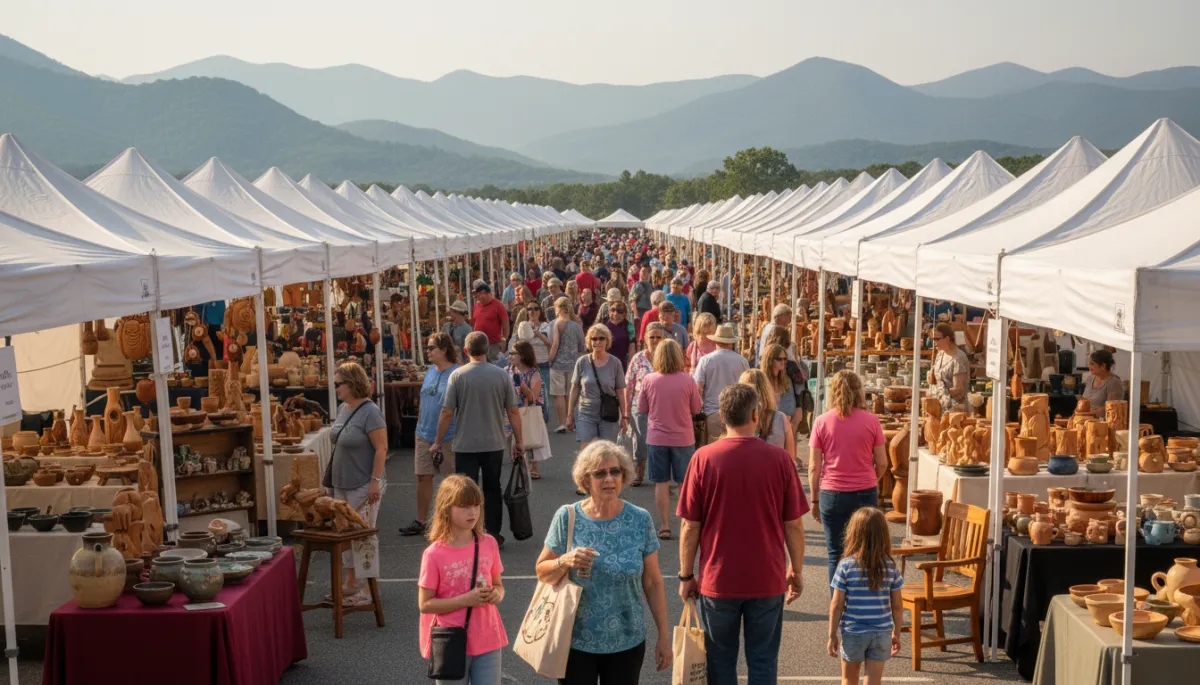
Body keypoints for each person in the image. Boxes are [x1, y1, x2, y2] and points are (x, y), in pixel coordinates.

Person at [678, 383, 809, 685]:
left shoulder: (703, 459)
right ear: (755, 413)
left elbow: (690, 526)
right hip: (767, 577)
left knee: (720, 664)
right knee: (763, 663)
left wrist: (686, 576)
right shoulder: (779, 460)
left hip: (718, 578)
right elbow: (793, 524)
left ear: (722, 417)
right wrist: (796, 569)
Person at [535, 441, 670, 684]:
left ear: (624, 475)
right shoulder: (567, 517)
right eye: (600, 473)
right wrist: (564, 561)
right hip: (575, 642)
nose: (609, 478)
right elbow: (542, 571)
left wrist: (664, 636)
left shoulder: (640, 519)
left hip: (627, 640)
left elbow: (652, 581)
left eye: (615, 471)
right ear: (586, 480)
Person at [433, 332, 523, 546]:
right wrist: (519, 441)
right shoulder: (502, 375)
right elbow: (513, 411)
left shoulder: (458, 376)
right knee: (493, 488)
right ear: (487, 350)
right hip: (494, 441)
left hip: (466, 443)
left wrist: (438, 440)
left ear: (465, 351)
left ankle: (468, 532)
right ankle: (493, 533)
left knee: (465, 491)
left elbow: (447, 412)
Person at [418, 475, 507, 685]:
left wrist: (496, 594)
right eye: (464, 506)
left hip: (488, 637)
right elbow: (425, 604)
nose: (473, 512)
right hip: (451, 640)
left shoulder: (489, 543)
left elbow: (499, 586)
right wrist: (467, 600)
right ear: (446, 509)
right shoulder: (434, 554)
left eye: (476, 505)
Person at [809, 370, 887, 583]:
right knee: (865, 550)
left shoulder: (822, 422)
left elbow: (814, 466)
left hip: (831, 492)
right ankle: (863, 602)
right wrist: (871, 478)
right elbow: (882, 462)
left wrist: (814, 499)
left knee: (835, 552)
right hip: (864, 491)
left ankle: (838, 606)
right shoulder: (871, 421)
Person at [329, 362, 388, 606]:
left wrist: (374, 481)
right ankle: (351, 581)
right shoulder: (344, 408)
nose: (336, 389)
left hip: (362, 483)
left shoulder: (370, 411)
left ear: (352, 384)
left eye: (338, 384)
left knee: (363, 535)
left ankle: (367, 587)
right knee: (345, 533)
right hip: (342, 483)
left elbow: (382, 448)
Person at [827, 508, 904, 685]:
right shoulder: (890, 567)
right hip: (881, 633)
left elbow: (837, 604)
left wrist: (832, 635)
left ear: (854, 533)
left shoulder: (846, 566)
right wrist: (896, 633)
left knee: (848, 679)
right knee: (873, 681)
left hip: (853, 632)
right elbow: (897, 606)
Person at [639, 339, 701, 540]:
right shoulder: (688, 380)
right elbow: (696, 409)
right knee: (684, 483)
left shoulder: (649, 380)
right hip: (683, 437)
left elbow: (642, 409)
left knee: (661, 482)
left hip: (657, 437)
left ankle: (664, 525)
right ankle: (686, 523)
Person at [400, 333, 461, 537]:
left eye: (431, 348)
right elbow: (424, 399)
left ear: (444, 349)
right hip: (424, 433)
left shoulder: (457, 373)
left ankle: (452, 522)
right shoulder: (430, 372)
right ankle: (421, 520)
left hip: (449, 435)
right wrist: (419, 424)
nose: (427, 351)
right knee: (423, 476)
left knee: (451, 480)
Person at [568, 324, 629, 446]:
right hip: (586, 411)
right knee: (586, 451)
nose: (597, 342)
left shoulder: (615, 363)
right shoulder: (582, 362)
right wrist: (569, 415)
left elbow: (620, 392)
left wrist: (624, 417)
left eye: (601, 338)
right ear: (589, 341)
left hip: (608, 413)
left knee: (606, 451)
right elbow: (574, 389)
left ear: (607, 340)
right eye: (594, 339)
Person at [693, 323, 750, 444]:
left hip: (713, 412)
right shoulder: (742, 361)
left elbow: (698, 388)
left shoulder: (706, 360)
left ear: (715, 341)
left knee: (714, 453)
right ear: (731, 342)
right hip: (737, 414)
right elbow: (748, 387)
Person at [626, 322, 665, 487]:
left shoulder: (667, 358)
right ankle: (638, 471)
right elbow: (629, 384)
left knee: (661, 442)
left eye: (658, 337)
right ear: (645, 339)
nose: (655, 340)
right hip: (639, 407)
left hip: (662, 407)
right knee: (640, 441)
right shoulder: (638, 358)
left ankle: (660, 475)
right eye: (652, 337)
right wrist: (626, 410)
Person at [506, 340, 551, 479]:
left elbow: (533, 398)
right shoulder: (507, 371)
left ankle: (533, 467)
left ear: (523, 355)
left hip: (527, 410)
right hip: (510, 410)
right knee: (512, 439)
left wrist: (522, 385)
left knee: (529, 437)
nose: (510, 356)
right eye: (510, 353)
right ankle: (519, 464)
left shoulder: (534, 374)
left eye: (514, 353)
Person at [549, 297, 587, 433]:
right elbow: (582, 346)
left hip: (558, 364)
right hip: (573, 364)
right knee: (572, 394)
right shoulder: (577, 326)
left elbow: (555, 345)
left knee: (559, 394)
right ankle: (572, 421)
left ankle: (562, 423)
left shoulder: (557, 324)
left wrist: (550, 360)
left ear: (558, 308)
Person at [739, 369, 796, 456]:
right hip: (774, 468)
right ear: (767, 389)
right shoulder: (781, 418)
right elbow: (790, 459)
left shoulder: (737, 419)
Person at [762, 342, 805, 444]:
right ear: (770, 360)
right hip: (766, 434)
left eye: (785, 359)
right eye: (779, 359)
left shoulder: (787, 382)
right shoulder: (762, 381)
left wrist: (790, 430)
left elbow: (793, 408)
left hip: (786, 431)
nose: (783, 362)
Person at [927, 322, 968, 413]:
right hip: (939, 406)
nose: (934, 342)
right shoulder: (940, 354)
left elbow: (958, 389)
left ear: (947, 339)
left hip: (954, 409)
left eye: (937, 339)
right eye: (932, 339)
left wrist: (938, 394)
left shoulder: (958, 358)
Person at [471, 280, 510, 362]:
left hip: (494, 345)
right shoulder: (476, 306)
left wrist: (504, 339)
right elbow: (474, 324)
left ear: (483, 293)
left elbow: (506, 324)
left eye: (477, 296)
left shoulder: (498, 305)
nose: (476, 298)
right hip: (479, 345)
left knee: (494, 367)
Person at [1083, 348, 1123, 415]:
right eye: (1089, 364)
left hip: (1103, 423)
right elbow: (1084, 400)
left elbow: (1111, 408)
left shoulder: (1114, 383)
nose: (1089, 367)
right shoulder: (1090, 378)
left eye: (1092, 364)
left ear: (1103, 366)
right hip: (1087, 419)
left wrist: (1088, 414)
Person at [602, 300, 633, 367]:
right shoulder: (603, 326)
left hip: (621, 362)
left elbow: (632, 347)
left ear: (624, 313)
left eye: (620, 311)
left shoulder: (629, 327)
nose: (615, 313)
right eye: (613, 310)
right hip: (605, 361)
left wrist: (631, 364)